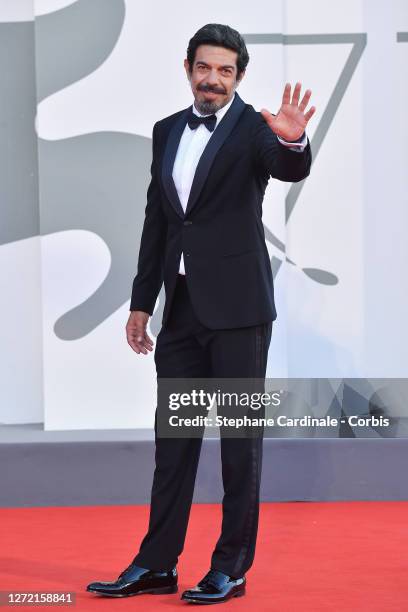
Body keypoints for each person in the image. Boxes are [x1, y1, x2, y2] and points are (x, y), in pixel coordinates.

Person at [86, 23, 314, 605]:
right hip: (181, 315)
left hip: (239, 313)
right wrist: (142, 303)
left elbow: (288, 168)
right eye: (205, 67)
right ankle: (157, 564)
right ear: (187, 67)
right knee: (175, 444)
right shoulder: (166, 131)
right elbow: (158, 223)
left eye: (226, 71)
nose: (213, 79)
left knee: (239, 446)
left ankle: (230, 568)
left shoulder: (253, 130)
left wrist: (291, 143)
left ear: (239, 77)